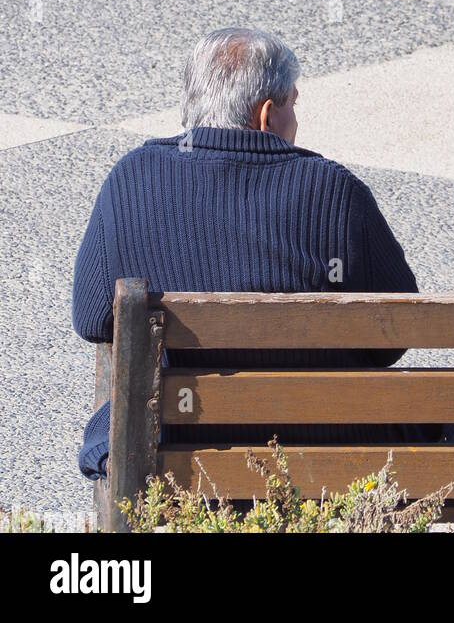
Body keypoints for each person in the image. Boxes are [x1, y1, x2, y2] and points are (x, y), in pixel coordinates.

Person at [73, 26, 421, 481]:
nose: (295, 120)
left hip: (177, 447)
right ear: (266, 115)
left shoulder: (130, 180)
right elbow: (391, 338)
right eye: (293, 105)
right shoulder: (334, 191)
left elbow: (93, 319)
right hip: (325, 456)